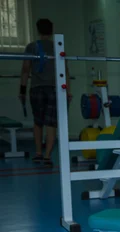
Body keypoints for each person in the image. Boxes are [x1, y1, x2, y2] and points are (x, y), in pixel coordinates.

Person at [19, 18, 72, 167]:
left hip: (36, 89)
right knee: (51, 123)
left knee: (38, 122)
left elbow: (25, 70)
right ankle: (48, 156)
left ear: (38, 30)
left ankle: (38, 153)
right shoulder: (58, 46)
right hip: (54, 90)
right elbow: (65, 71)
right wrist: (68, 91)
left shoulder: (31, 47)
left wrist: (22, 91)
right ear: (51, 30)